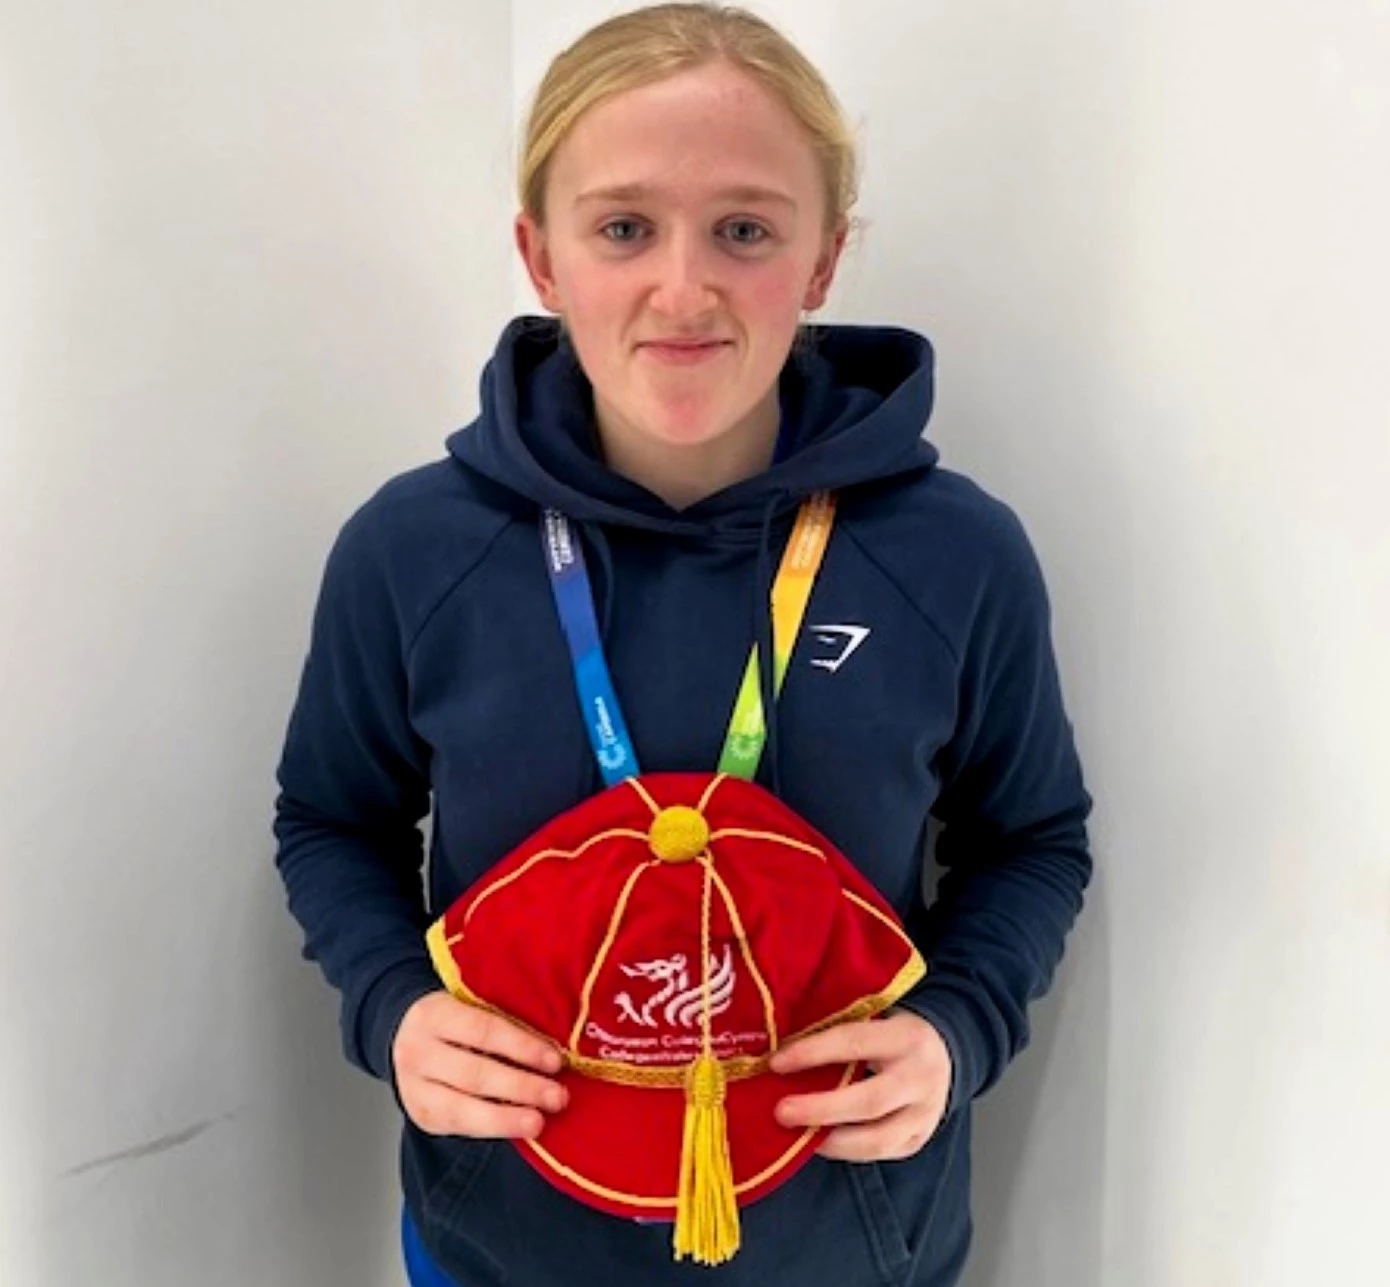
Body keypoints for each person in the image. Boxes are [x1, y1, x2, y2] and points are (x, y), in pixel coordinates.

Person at [272, 4, 1092, 1285]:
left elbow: (1032, 839)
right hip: (502, 1245)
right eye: (622, 228)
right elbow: (329, 818)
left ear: (821, 265)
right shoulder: (415, 550)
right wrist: (395, 1009)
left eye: (746, 230)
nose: (684, 286)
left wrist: (956, 1030)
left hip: (851, 1244)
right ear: (541, 260)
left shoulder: (953, 555)